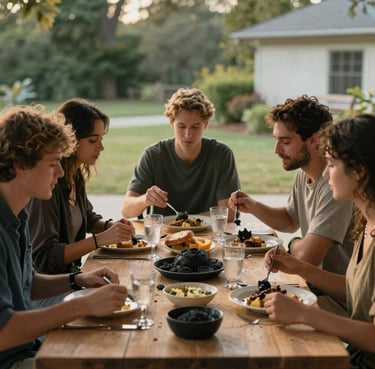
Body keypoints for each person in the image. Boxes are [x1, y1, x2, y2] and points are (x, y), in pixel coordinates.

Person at [0, 106, 128, 369]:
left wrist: (77, 280)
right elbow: (4, 333)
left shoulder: (18, 215)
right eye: (51, 163)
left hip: (28, 348)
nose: (60, 172)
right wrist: (79, 306)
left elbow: (27, 283)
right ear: (20, 165)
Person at [263, 113, 375, 369]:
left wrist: (306, 315)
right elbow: (356, 289)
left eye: (332, 165)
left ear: (359, 171)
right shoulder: (367, 223)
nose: (325, 173)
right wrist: (299, 268)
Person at [229, 95, 353, 310]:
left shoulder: (335, 186)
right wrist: (253, 206)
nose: (277, 150)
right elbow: (289, 220)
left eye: (285, 142)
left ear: (314, 140)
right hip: (311, 287)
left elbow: (306, 257)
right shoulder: (304, 173)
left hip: (337, 300)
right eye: (276, 140)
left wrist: (292, 244)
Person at [28, 98, 135, 276]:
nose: (101, 147)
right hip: (50, 286)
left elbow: (87, 217)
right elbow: (44, 258)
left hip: (72, 275)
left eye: (101, 139)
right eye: (93, 141)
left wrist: (111, 226)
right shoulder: (48, 186)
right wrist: (100, 240)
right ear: (71, 140)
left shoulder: (74, 174)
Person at [121, 87, 240, 221]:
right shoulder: (153, 155)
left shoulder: (221, 155)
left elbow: (229, 214)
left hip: (210, 236)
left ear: (205, 124)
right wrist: (145, 200)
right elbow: (126, 210)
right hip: (166, 237)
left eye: (195, 126)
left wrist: (185, 220)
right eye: (181, 126)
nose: (188, 134)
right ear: (171, 123)